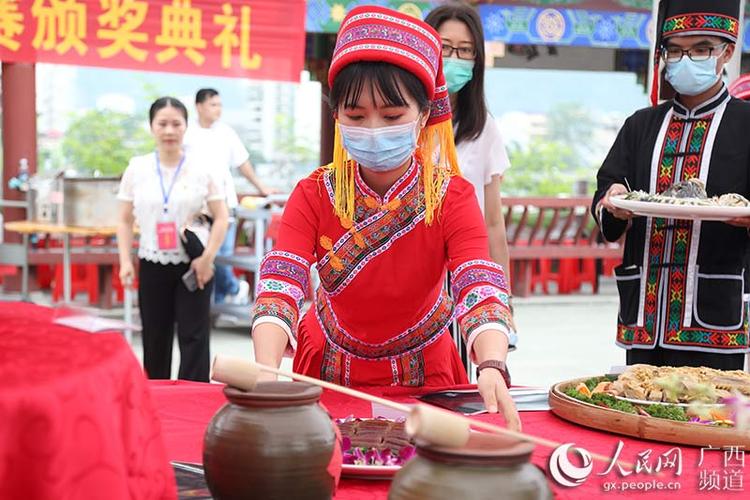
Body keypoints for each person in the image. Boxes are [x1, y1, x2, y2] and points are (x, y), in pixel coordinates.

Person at [251, 6, 520, 430]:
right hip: (326, 367)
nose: (373, 128)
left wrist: (490, 363)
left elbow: (477, 283)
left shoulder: (452, 195)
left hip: (427, 375)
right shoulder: (313, 193)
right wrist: (265, 373)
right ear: (336, 115)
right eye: (356, 116)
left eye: (392, 116)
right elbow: (280, 286)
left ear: (425, 114)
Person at [593, 0, 750, 370]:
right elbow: (607, 194)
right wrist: (612, 203)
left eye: (700, 49)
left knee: (707, 420)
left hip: (714, 315)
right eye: (675, 50)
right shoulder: (640, 125)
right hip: (644, 317)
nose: (685, 59)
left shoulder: (746, 124)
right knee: (640, 411)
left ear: (726, 52)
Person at [117, 97, 229, 382]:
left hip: (194, 263)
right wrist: (125, 261)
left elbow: (222, 217)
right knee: (155, 337)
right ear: (152, 127)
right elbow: (124, 219)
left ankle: (193, 398)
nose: (169, 130)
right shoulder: (137, 168)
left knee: (194, 338)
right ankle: (156, 399)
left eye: (176, 124)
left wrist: (207, 259)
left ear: (185, 127)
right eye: (162, 124)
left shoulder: (203, 168)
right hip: (153, 260)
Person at [425, 2, 513, 286]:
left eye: (465, 50)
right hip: (411, 273)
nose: (454, 57)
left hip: (464, 274)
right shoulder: (400, 120)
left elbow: (493, 222)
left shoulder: (483, 127)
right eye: (445, 47)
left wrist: (504, 296)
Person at [183, 88, 272, 305]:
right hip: (195, 207)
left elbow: (243, 164)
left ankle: (225, 296)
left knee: (221, 256)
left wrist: (261, 187)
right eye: (213, 105)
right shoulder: (187, 133)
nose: (218, 110)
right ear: (199, 106)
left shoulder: (226, 133)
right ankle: (226, 295)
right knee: (201, 255)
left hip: (224, 203)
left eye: (220, 105)